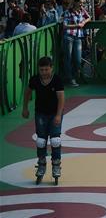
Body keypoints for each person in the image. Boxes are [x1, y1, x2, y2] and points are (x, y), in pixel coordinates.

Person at [21, 56, 64, 184]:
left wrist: (58, 115)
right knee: (41, 141)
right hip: (41, 114)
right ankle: (41, 165)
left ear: (51, 68)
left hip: (54, 113)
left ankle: (56, 165)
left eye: (46, 69)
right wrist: (25, 108)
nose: (44, 72)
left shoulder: (57, 80)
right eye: (41, 70)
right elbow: (27, 92)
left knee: (55, 140)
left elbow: (61, 98)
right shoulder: (35, 79)